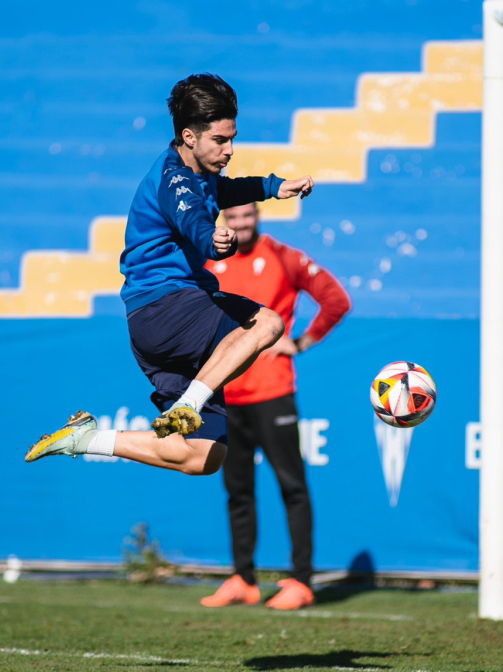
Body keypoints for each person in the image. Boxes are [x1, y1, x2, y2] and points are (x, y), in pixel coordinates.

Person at [23, 73, 314, 478]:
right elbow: (194, 218)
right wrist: (214, 241)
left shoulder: (196, 174)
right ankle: (189, 403)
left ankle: (87, 440)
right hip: (169, 306)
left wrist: (273, 186)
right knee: (267, 323)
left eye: (233, 138)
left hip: (149, 327)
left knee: (202, 456)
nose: (230, 149)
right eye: (221, 140)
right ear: (189, 136)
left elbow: (220, 192)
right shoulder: (175, 180)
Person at [199, 201, 351, 610]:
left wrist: (299, 343)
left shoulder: (283, 257)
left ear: (258, 216)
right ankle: (243, 579)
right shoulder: (211, 262)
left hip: (273, 392)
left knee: (292, 486)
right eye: (233, 218)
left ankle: (301, 581)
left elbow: (336, 300)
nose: (242, 224)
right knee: (237, 490)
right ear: (224, 221)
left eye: (248, 216)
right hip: (228, 394)